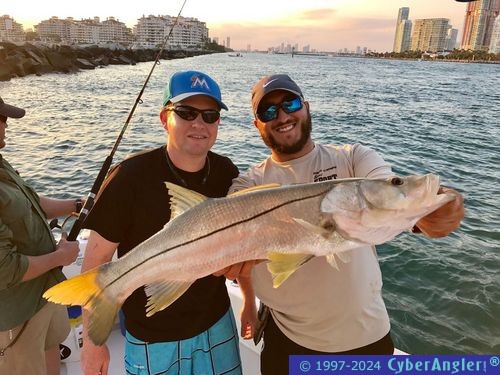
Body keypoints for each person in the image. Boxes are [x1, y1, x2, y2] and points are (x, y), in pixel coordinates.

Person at [227, 74, 465, 374]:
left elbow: (394, 196)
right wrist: (248, 300)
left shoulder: (354, 159)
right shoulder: (248, 184)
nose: (283, 116)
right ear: (257, 124)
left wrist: (443, 206)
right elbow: (236, 250)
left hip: (364, 341)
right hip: (286, 341)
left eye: (290, 103)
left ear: (307, 107)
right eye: (269, 111)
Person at [80, 71, 243, 375]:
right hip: (152, 334)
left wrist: (248, 300)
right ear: (164, 117)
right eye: (186, 112)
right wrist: (92, 343)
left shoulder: (226, 173)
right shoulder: (129, 177)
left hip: (217, 322)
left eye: (210, 115)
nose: (199, 124)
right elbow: (97, 261)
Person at [0, 97, 81, 375]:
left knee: (52, 355)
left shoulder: (1, 162)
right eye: (1, 118)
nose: (6, 124)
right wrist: (60, 256)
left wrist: (75, 205)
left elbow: (30, 201)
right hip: (15, 316)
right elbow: (6, 268)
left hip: (46, 293)